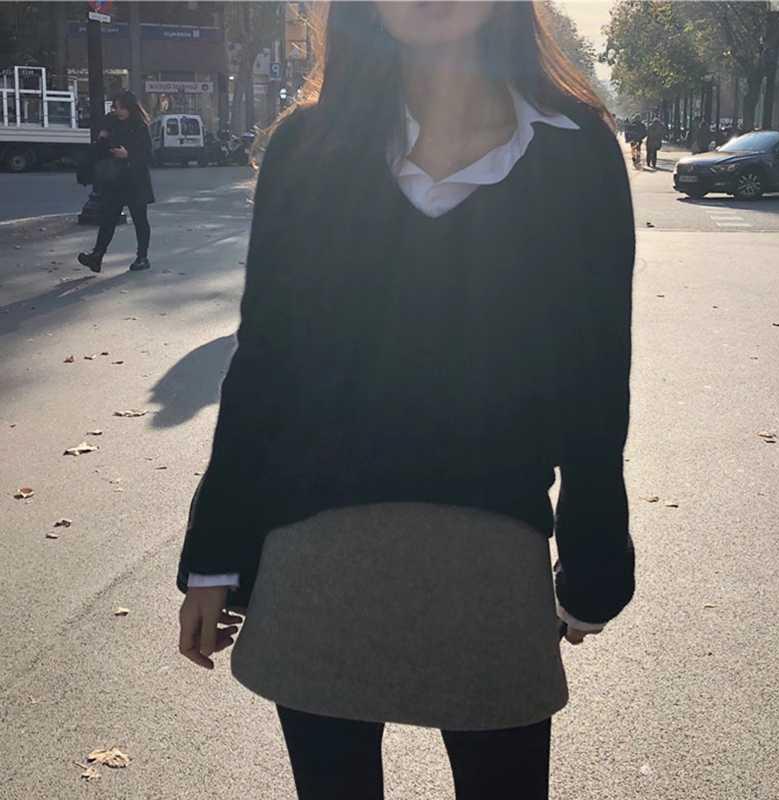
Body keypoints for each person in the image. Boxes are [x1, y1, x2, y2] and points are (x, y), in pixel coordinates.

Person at [176, 3, 636, 799]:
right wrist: (215, 554)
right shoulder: (308, 146)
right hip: (317, 552)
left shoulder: (576, 150)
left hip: (492, 557)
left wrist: (595, 558)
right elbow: (266, 366)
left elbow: (595, 376)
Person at [78, 91, 155, 273]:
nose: (118, 111)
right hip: (115, 179)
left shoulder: (140, 127)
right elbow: (100, 149)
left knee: (140, 220)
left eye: (121, 107)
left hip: (135, 180)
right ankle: (96, 256)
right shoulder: (111, 123)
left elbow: (148, 156)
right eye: (116, 107)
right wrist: (102, 138)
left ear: (130, 108)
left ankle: (142, 257)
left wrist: (128, 155)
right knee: (108, 219)